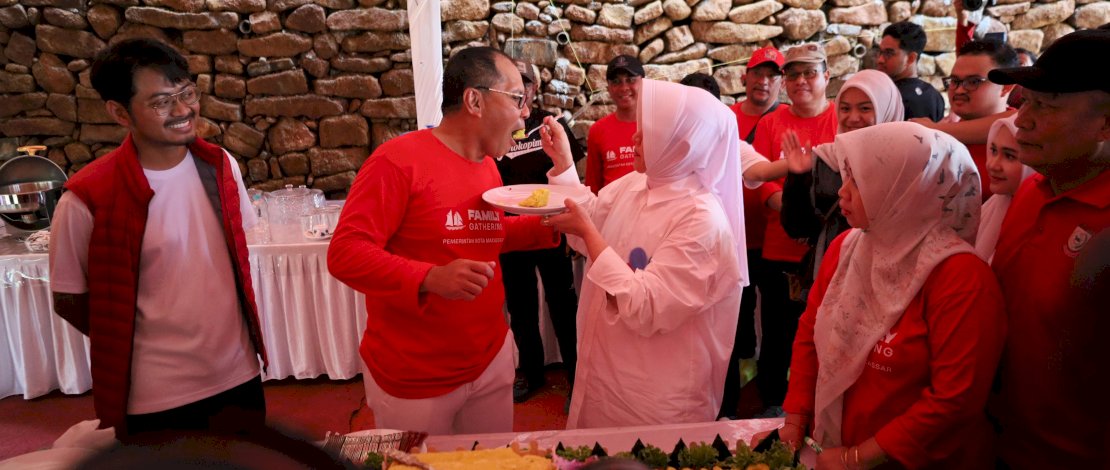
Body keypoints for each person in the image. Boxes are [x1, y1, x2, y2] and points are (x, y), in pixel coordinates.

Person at [327, 46, 559, 435]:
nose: (524, 113)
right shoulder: (397, 161)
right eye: (518, 98)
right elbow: (345, 253)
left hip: (489, 358)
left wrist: (549, 226)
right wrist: (429, 278)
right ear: (474, 100)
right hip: (416, 376)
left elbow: (482, 234)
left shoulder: (487, 166)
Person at [48, 38, 267, 438]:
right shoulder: (86, 197)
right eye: (162, 101)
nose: (183, 110)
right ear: (119, 112)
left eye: (186, 93)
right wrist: (137, 337)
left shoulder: (220, 166)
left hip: (238, 374)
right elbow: (70, 299)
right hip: (155, 396)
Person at [774, 122, 1005, 469]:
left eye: (861, 181)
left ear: (908, 190)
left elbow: (955, 398)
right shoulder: (848, 247)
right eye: (846, 177)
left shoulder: (960, 277)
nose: (843, 193)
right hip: (835, 447)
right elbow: (810, 333)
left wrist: (858, 457)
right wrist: (794, 423)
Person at [541, 79, 744, 428]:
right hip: (605, 370)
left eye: (647, 132)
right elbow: (594, 218)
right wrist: (563, 164)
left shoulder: (701, 220)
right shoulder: (636, 183)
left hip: (656, 395)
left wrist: (588, 233)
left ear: (680, 146)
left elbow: (648, 306)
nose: (633, 139)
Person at [986, 28, 1110, 468]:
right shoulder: (1032, 190)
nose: (1021, 120)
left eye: (1047, 106)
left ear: (1106, 123)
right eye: (1025, 101)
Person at [749, 42, 839, 418]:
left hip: (833, 245)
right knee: (778, 332)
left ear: (826, 76)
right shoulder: (772, 122)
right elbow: (761, 181)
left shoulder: (840, 117)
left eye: (809, 73)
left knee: (828, 332)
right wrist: (792, 215)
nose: (801, 81)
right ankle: (773, 402)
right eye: (793, 74)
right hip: (780, 248)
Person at [496, 60, 583, 403]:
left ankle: (578, 376)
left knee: (563, 305)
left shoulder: (552, 123)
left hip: (551, 227)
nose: (522, 88)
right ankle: (531, 375)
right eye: (514, 83)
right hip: (512, 232)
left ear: (534, 88)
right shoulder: (496, 125)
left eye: (526, 82)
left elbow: (573, 168)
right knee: (521, 308)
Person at [779, 69, 905, 298]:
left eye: (865, 108)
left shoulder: (906, 163)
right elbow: (798, 227)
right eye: (845, 108)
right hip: (831, 278)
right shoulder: (827, 160)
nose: (853, 118)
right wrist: (797, 177)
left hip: (888, 281)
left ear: (886, 108)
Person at [722, 45, 787, 420]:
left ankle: (773, 395)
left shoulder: (784, 121)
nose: (763, 81)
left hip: (776, 242)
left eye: (771, 75)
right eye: (757, 74)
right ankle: (728, 402)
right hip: (732, 241)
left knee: (777, 324)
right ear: (744, 77)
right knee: (732, 323)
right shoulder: (726, 117)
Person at [918, 39, 1019, 199]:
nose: (958, 90)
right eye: (955, 81)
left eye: (973, 82)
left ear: (1006, 86)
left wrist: (934, 130)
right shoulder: (943, 134)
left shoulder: (1022, 136)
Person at [973, 116, 1033, 262]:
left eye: (1009, 156)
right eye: (993, 151)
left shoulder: (1036, 224)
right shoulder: (994, 206)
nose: (993, 165)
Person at [584, 54, 644, 194]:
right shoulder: (598, 130)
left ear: (643, 82)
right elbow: (593, 186)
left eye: (630, 80)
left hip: (650, 212)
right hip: (611, 213)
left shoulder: (658, 125)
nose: (624, 88)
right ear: (609, 88)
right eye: (616, 81)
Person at [875, 21, 946, 121]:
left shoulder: (888, 96)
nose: (880, 60)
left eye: (888, 53)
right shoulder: (934, 95)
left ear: (911, 58)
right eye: (880, 52)